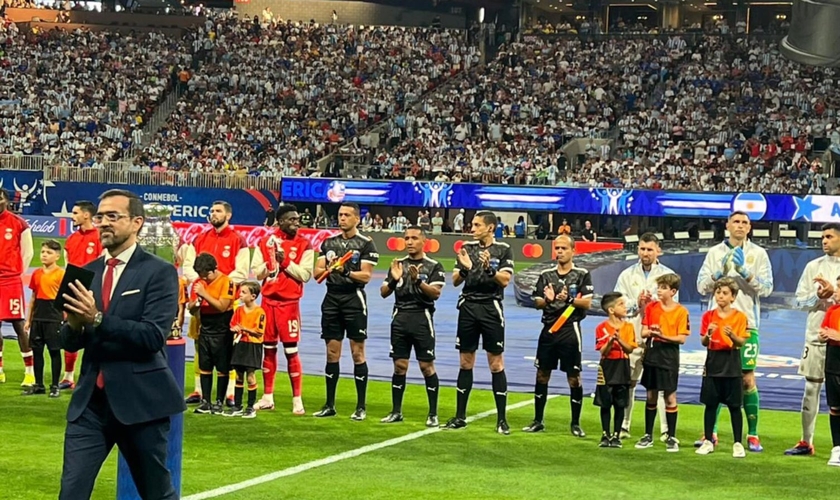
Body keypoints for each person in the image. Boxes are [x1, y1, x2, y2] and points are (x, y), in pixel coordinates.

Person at [58, 189, 183, 500]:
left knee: (156, 493)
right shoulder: (86, 271)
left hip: (141, 404)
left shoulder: (160, 271)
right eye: (100, 217)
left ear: (137, 222)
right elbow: (70, 341)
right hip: (90, 405)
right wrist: (74, 325)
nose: (103, 223)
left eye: (113, 216)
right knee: (70, 493)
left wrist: (97, 319)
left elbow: (153, 337)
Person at [696, 211, 773, 452]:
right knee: (715, 379)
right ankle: (712, 433)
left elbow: (768, 289)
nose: (739, 226)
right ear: (727, 225)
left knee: (747, 379)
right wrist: (718, 274)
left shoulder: (759, 254)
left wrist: (745, 273)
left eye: (744, 222)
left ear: (749, 228)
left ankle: (752, 434)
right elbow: (701, 287)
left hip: (747, 325)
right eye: (735, 221)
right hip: (717, 325)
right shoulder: (714, 253)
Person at [443, 211, 514, 434]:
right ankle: (460, 415)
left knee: (496, 363)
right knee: (465, 362)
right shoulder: (467, 248)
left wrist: (489, 269)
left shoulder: (503, 249)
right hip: (468, 307)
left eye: (476, 225)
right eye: (472, 225)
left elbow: (505, 280)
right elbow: (455, 281)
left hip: (491, 308)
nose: (471, 228)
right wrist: (465, 268)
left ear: (490, 228)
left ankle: (502, 419)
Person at [313, 202, 379, 420]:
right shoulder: (328, 243)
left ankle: (361, 406)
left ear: (357, 219)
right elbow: (317, 272)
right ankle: (329, 404)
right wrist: (329, 268)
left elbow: (366, 276)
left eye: (347, 215)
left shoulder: (366, 244)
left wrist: (345, 271)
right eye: (340, 215)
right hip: (331, 298)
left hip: (353, 299)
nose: (342, 218)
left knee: (357, 353)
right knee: (332, 352)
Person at [523, 235, 594, 436]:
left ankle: (575, 423)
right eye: (557, 248)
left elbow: (587, 303)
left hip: (570, 330)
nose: (560, 251)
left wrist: (570, 299)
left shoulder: (581, 274)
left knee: (574, 377)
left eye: (564, 248)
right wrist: (547, 300)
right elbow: (537, 302)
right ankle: (538, 420)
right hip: (548, 330)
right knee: (542, 374)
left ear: (573, 250)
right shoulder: (546, 275)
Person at [182, 201, 249, 406]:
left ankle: (228, 392)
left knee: (225, 347)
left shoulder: (238, 240)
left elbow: (242, 272)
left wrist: (219, 285)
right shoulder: (199, 238)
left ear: (228, 215)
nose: (213, 214)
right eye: (211, 211)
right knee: (198, 343)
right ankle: (199, 390)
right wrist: (202, 285)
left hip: (227, 301)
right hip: (201, 300)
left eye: (218, 211)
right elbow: (188, 267)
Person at [379, 226, 446, 427]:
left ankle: (433, 413)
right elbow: (383, 292)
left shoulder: (434, 266)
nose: (409, 242)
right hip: (400, 317)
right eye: (406, 238)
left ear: (423, 241)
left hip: (421, 318)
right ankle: (396, 411)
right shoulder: (397, 264)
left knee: (426, 366)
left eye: (414, 238)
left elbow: (435, 293)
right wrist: (394, 280)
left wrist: (418, 281)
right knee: (400, 366)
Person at [251, 204, 314, 415]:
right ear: (280, 221)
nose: (296, 223)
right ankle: (268, 396)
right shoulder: (265, 242)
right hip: (268, 303)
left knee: (291, 351)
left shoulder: (305, 244)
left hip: (289, 305)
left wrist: (284, 261)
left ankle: (297, 399)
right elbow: (257, 273)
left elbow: (305, 275)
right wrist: (270, 264)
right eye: (292, 220)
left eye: (298, 219)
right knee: (268, 350)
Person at [614, 232, 675, 440]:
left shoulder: (668, 276)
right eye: (642, 249)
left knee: (657, 386)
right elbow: (617, 306)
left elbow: (675, 308)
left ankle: (665, 430)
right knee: (628, 382)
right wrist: (637, 304)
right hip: (632, 335)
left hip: (659, 338)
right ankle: (624, 425)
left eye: (649, 249)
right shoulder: (626, 275)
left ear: (658, 250)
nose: (645, 253)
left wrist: (654, 306)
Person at [786, 223, 840, 456]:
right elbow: (798, 303)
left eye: (829, 237)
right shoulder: (812, 267)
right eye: (822, 237)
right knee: (811, 389)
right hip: (817, 336)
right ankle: (806, 441)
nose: (824, 241)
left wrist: (835, 294)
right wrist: (818, 297)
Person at [635, 273, 689, 452]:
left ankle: (671, 436)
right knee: (651, 395)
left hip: (669, 355)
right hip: (653, 353)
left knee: (670, 397)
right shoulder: (651, 308)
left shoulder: (681, 311)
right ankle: (648, 435)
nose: (659, 290)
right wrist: (652, 332)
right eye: (659, 287)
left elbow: (681, 338)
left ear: (673, 291)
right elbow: (643, 332)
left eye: (664, 287)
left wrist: (662, 335)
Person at [696, 278, 749, 458]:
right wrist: (709, 334)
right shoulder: (708, 316)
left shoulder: (740, 317)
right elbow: (703, 341)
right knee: (710, 405)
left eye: (725, 293)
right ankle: (708, 441)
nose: (720, 296)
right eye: (718, 292)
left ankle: (737, 443)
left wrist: (732, 335)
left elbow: (741, 342)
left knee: (735, 406)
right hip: (713, 362)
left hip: (732, 362)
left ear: (733, 297)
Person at [59, 200, 101, 390]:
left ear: (86, 215)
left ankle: (96, 374)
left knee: (96, 331)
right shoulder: (72, 239)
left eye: (75, 213)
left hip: (94, 291)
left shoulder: (100, 237)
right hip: (74, 290)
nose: (72, 216)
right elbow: (67, 264)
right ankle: (68, 376)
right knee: (72, 329)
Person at [190, 252, 236, 415]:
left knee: (223, 367)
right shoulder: (198, 282)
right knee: (205, 366)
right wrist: (196, 303)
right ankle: (205, 401)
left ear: (212, 270)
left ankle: (219, 401)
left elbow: (222, 306)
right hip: (205, 328)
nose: (201, 278)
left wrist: (204, 294)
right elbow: (190, 307)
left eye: (203, 275)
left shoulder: (227, 282)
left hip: (222, 329)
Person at [0, 187, 35, 385]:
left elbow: (27, 253)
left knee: (17, 325)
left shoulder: (18, 223)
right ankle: (0, 370)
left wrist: (16, 274)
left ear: (6, 201)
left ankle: (29, 372)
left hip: (11, 281)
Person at [22, 240, 65, 397]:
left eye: (49, 252)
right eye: (43, 252)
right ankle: (39, 384)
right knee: (37, 352)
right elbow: (33, 297)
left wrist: (65, 318)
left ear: (57, 256)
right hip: (38, 317)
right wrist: (28, 319)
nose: (45, 255)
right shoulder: (36, 274)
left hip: (53, 317)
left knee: (54, 351)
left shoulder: (61, 274)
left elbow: (64, 298)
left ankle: (55, 386)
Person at [593, 292, 636, 448]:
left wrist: (619, 339)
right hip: (607, 367)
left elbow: (630, 348)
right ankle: (605, 434)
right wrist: (610, 342)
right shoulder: (601, 328)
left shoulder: (629, 327)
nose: (625, 307)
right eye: (621, 304)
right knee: (605, 402)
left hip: (622, 365)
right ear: (611, 310)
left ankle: (616, 435)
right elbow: (603, 351)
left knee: (620, 402)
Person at [226, 281, 266, 419]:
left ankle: (250, 407)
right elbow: (232, 325)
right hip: (240, 344)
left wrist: (243, 328)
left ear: (253, 296)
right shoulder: (239, 310)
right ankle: (237, 406)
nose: (240, 295)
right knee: (238, 375)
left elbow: (259, 332)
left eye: (243, 292)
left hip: (252, 346)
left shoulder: (260, 312)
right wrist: (234, 329)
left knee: (250, 376)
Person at [817, 279, 840, 467]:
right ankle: (837, 448)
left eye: (839, 288)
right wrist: (822, 335)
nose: (836, 291)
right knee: (835, 408)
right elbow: (823, 331)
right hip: (833, 363)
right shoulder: (832, 311)